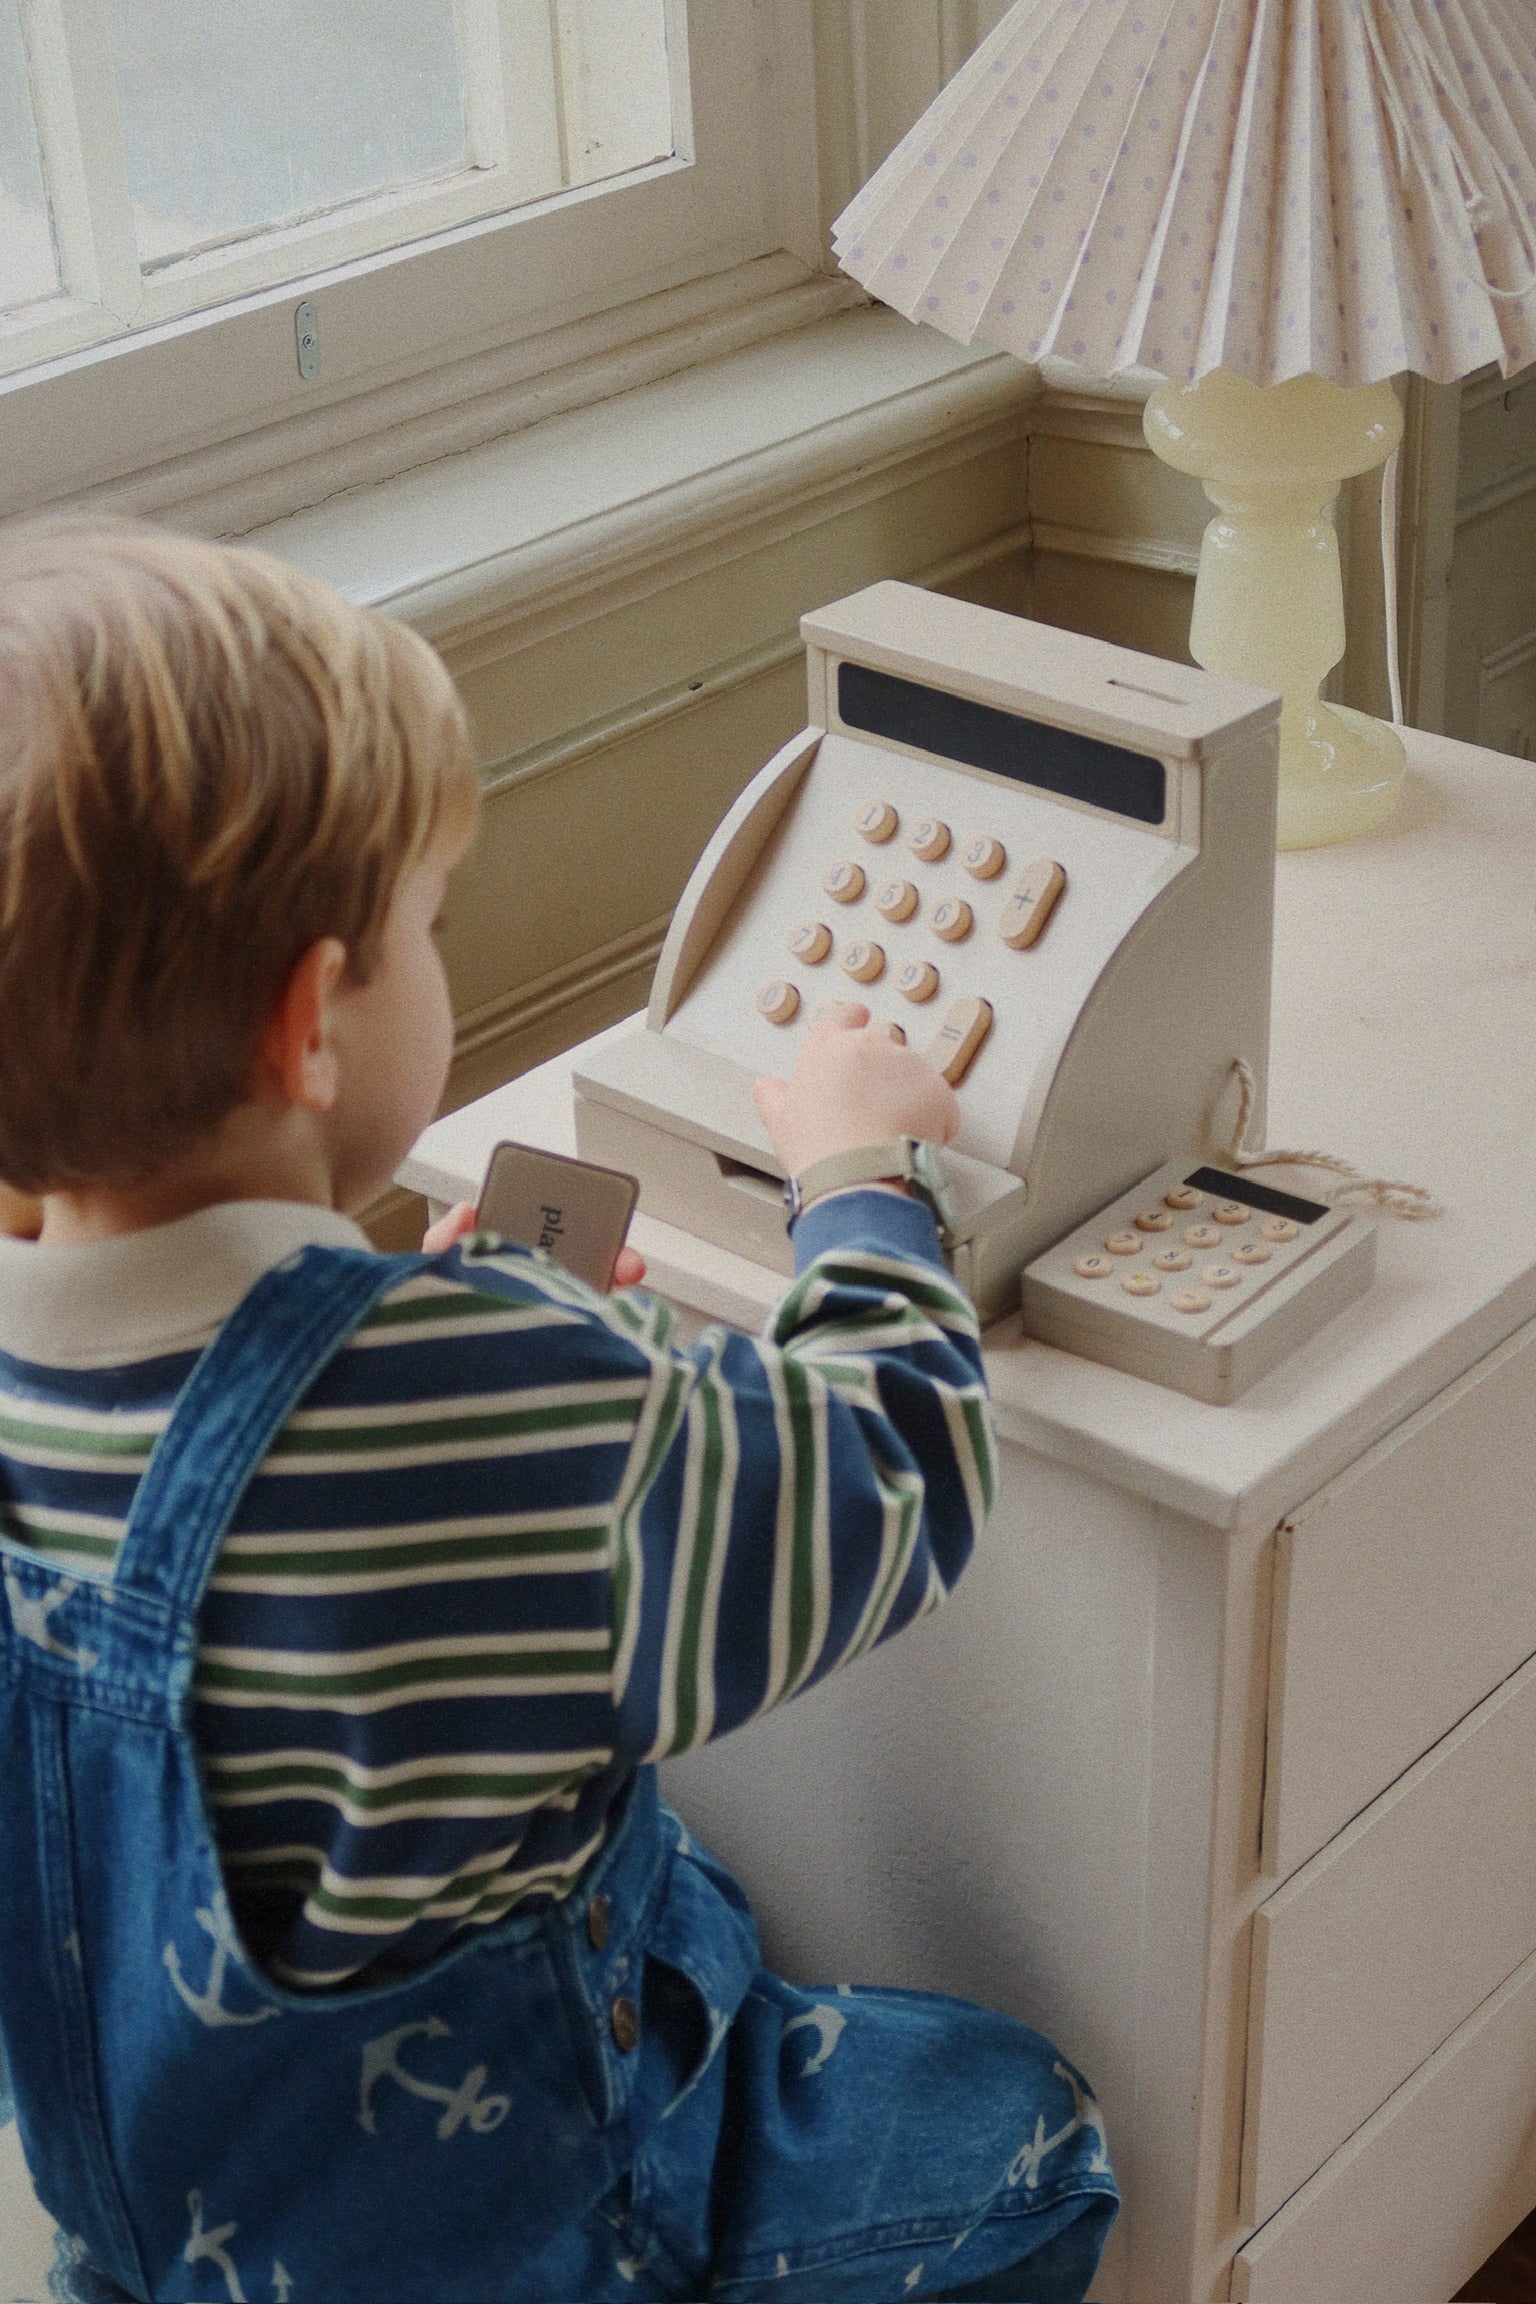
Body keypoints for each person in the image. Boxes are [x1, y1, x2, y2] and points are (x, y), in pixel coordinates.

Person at [0, 519, 1116, 2304]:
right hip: (513, 2240)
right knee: (1027, 2136)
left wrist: (468, 1318)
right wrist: (858, 1178)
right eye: (424, 924)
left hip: (167, 2224)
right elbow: (887, 1471)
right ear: (311, 1021)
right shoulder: (480, 1401)